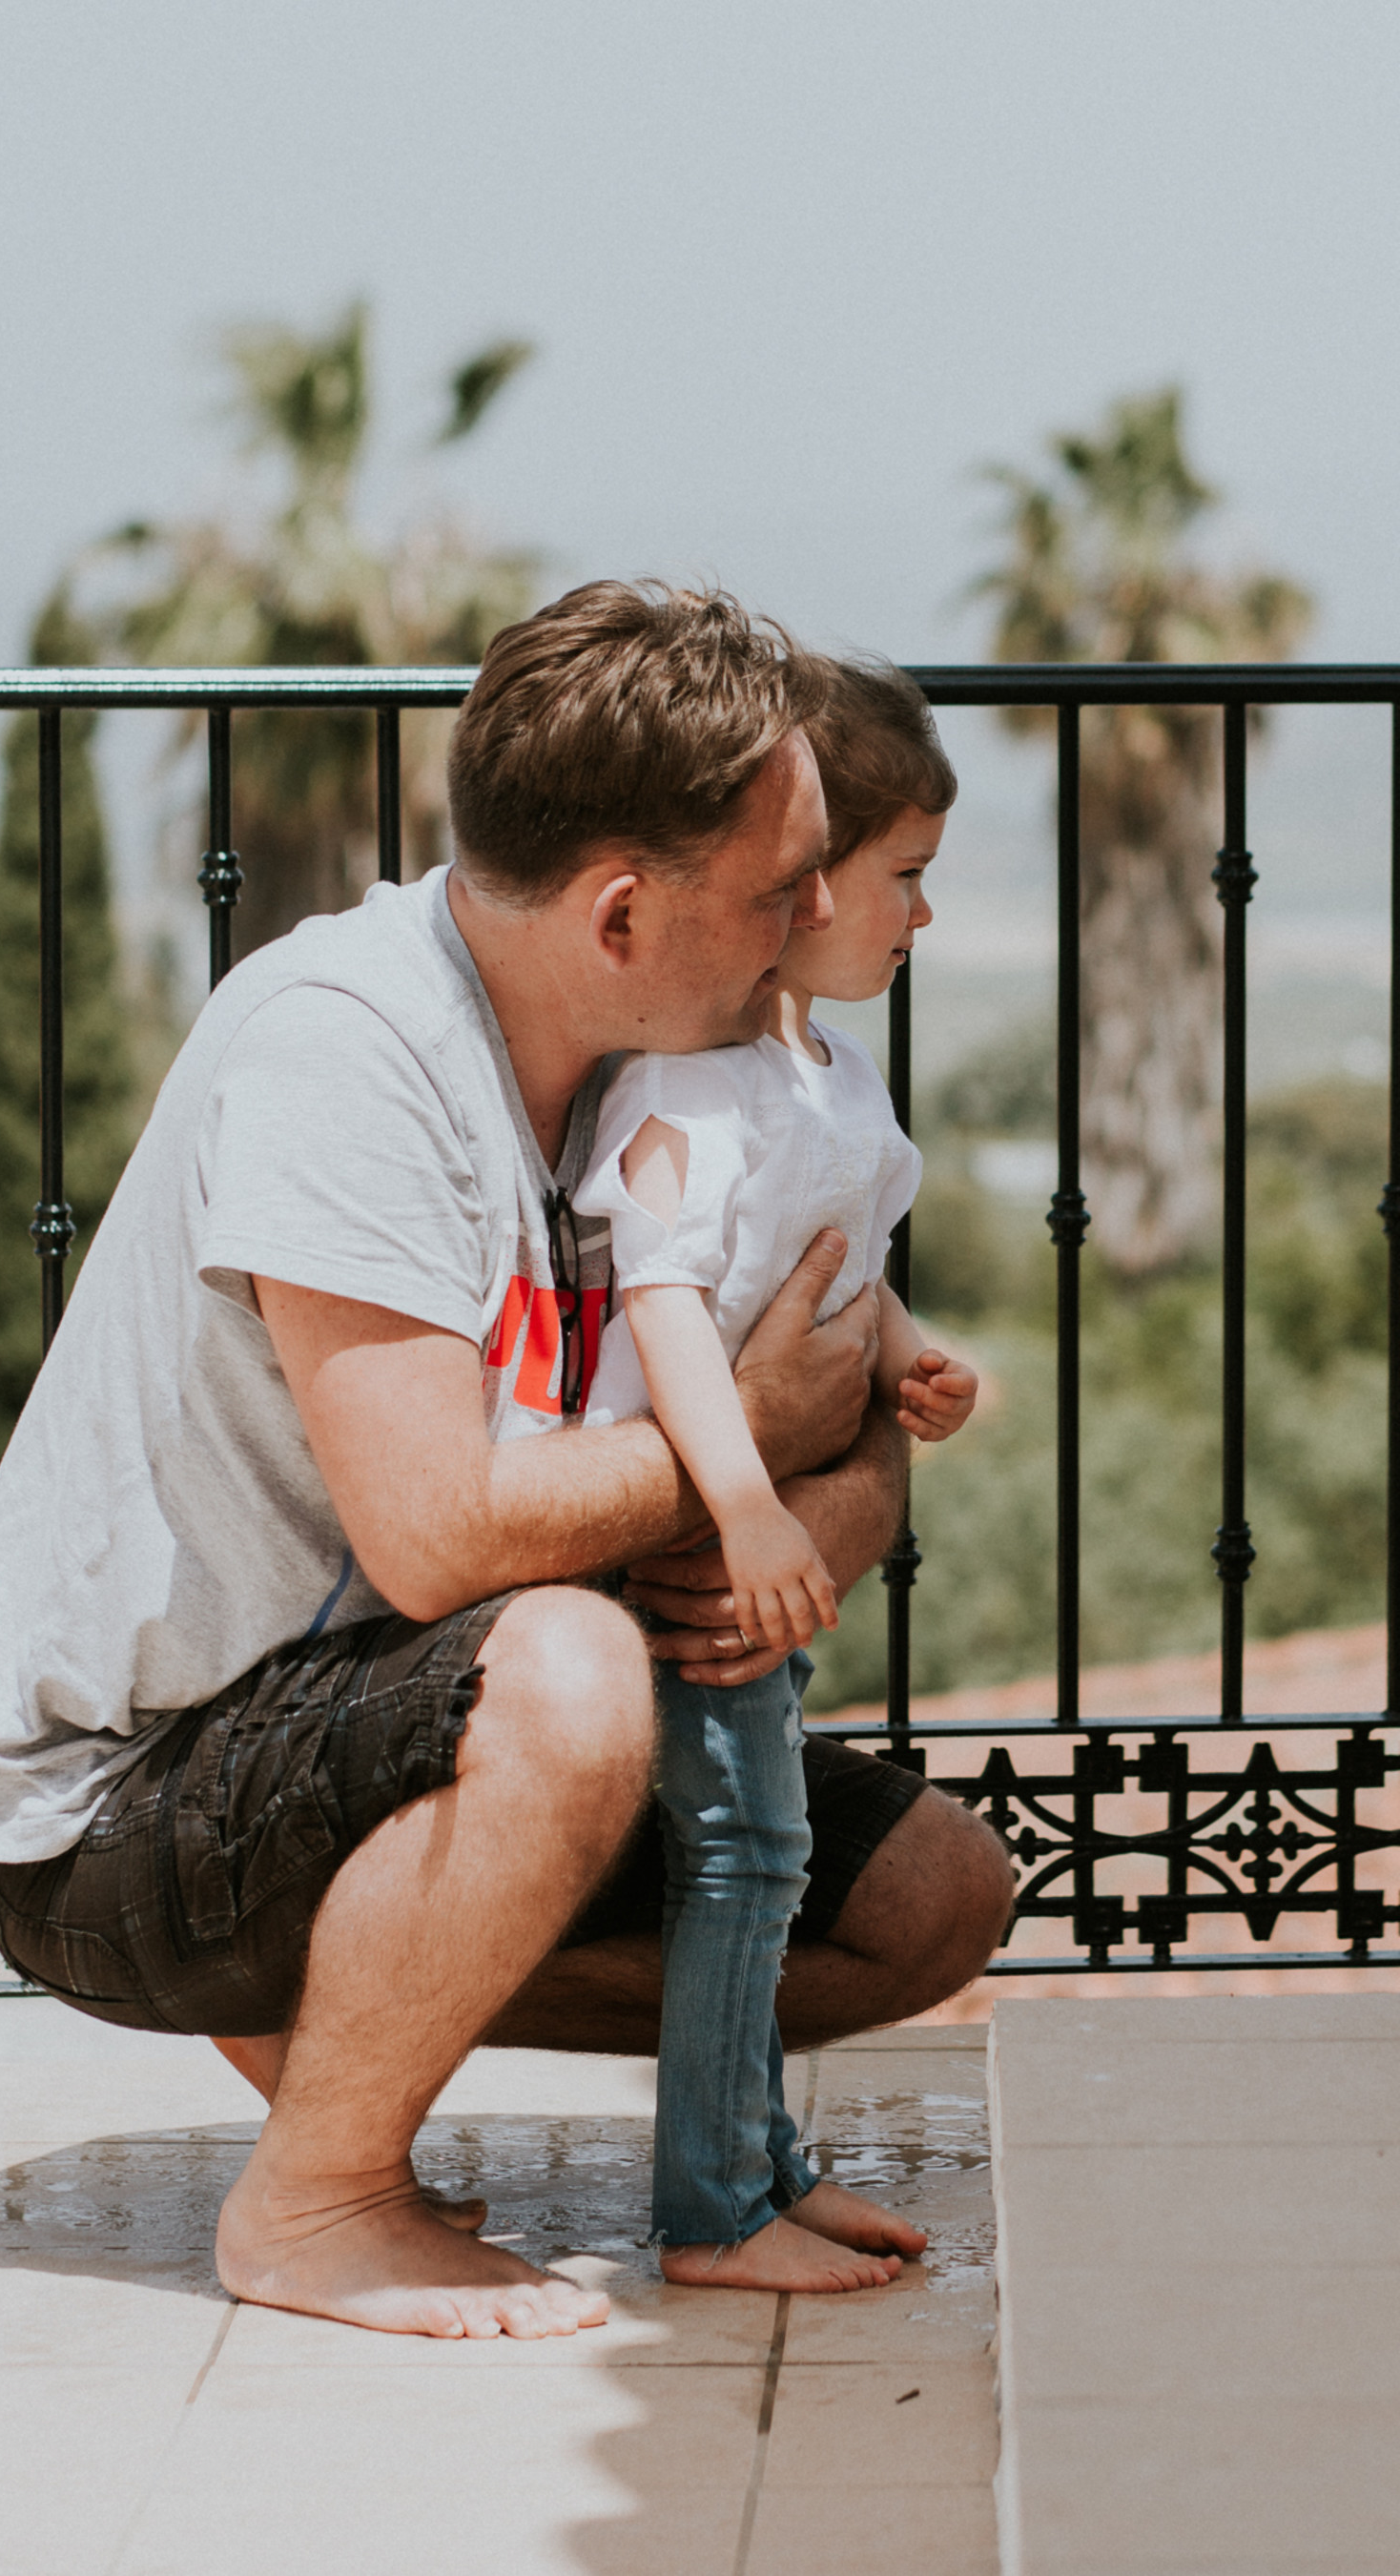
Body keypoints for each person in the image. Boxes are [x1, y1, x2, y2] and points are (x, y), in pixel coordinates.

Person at [0, 583, 1013, 2342]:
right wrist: (754, 1449)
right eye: (784, 883)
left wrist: (799, 1480)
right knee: (564, 1671)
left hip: (369, 1725)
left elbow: (839, 1418)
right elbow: (444, 1540)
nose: (818, 914)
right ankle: (320, 2195)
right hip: (114, 1800)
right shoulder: (349, 1051)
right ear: (625, 910)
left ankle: (360, 2004)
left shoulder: (677, 1085)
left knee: (931, 1897)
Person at [573, 658, 978, 2289]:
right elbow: (664, 1296)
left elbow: (832, 1267)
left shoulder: (824, 1080)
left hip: (753, 1549)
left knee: (757, 1851)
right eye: (905, 879)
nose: (921, 919)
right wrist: (740, 1504)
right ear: (805, 886)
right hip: (683, 1546)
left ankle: (762, 2163)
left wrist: (901, 1353)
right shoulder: (682, 1083)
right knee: (742, 1855)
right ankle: (713, 2211)